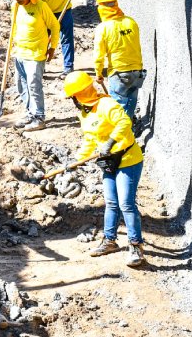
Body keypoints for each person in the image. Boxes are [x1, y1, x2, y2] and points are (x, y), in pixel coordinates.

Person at [62, 72, 146, 267]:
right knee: (111, 202)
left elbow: (125, 122)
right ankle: (109, 241)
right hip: (109, 162)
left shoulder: (106, 105)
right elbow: (90, 139)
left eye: (73, 96)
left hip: (127, 159)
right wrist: (76, 161)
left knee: (126, 203)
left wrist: (110, 142)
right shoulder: (85, 112)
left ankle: (136, 246)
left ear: (80, 94)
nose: (72, 100)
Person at [11, 0, 82, 76]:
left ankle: (68, 67)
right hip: (46, 14)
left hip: (64, 8)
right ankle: (39, 66)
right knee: (44, 40)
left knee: (66, 38)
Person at [8, 0, 59, 131]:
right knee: (21, 85)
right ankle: (30, 113)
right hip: (20, 52)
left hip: (36, 54)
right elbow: (13, 27)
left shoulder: (41, 6)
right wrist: (11, 46)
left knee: (33, 84)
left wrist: (52, 47)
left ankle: (39, 117)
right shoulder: (15, 6)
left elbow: (55, 26)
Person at [93, 0, 144, 123]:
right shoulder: (131, 22)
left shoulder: (103, 28)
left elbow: (98, 55)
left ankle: (121, 140)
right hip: (137, 72)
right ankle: (129, 135)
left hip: (118, 74)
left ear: (101, 7)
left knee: (117, 111)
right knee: (130, 107)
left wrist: (98, 73)